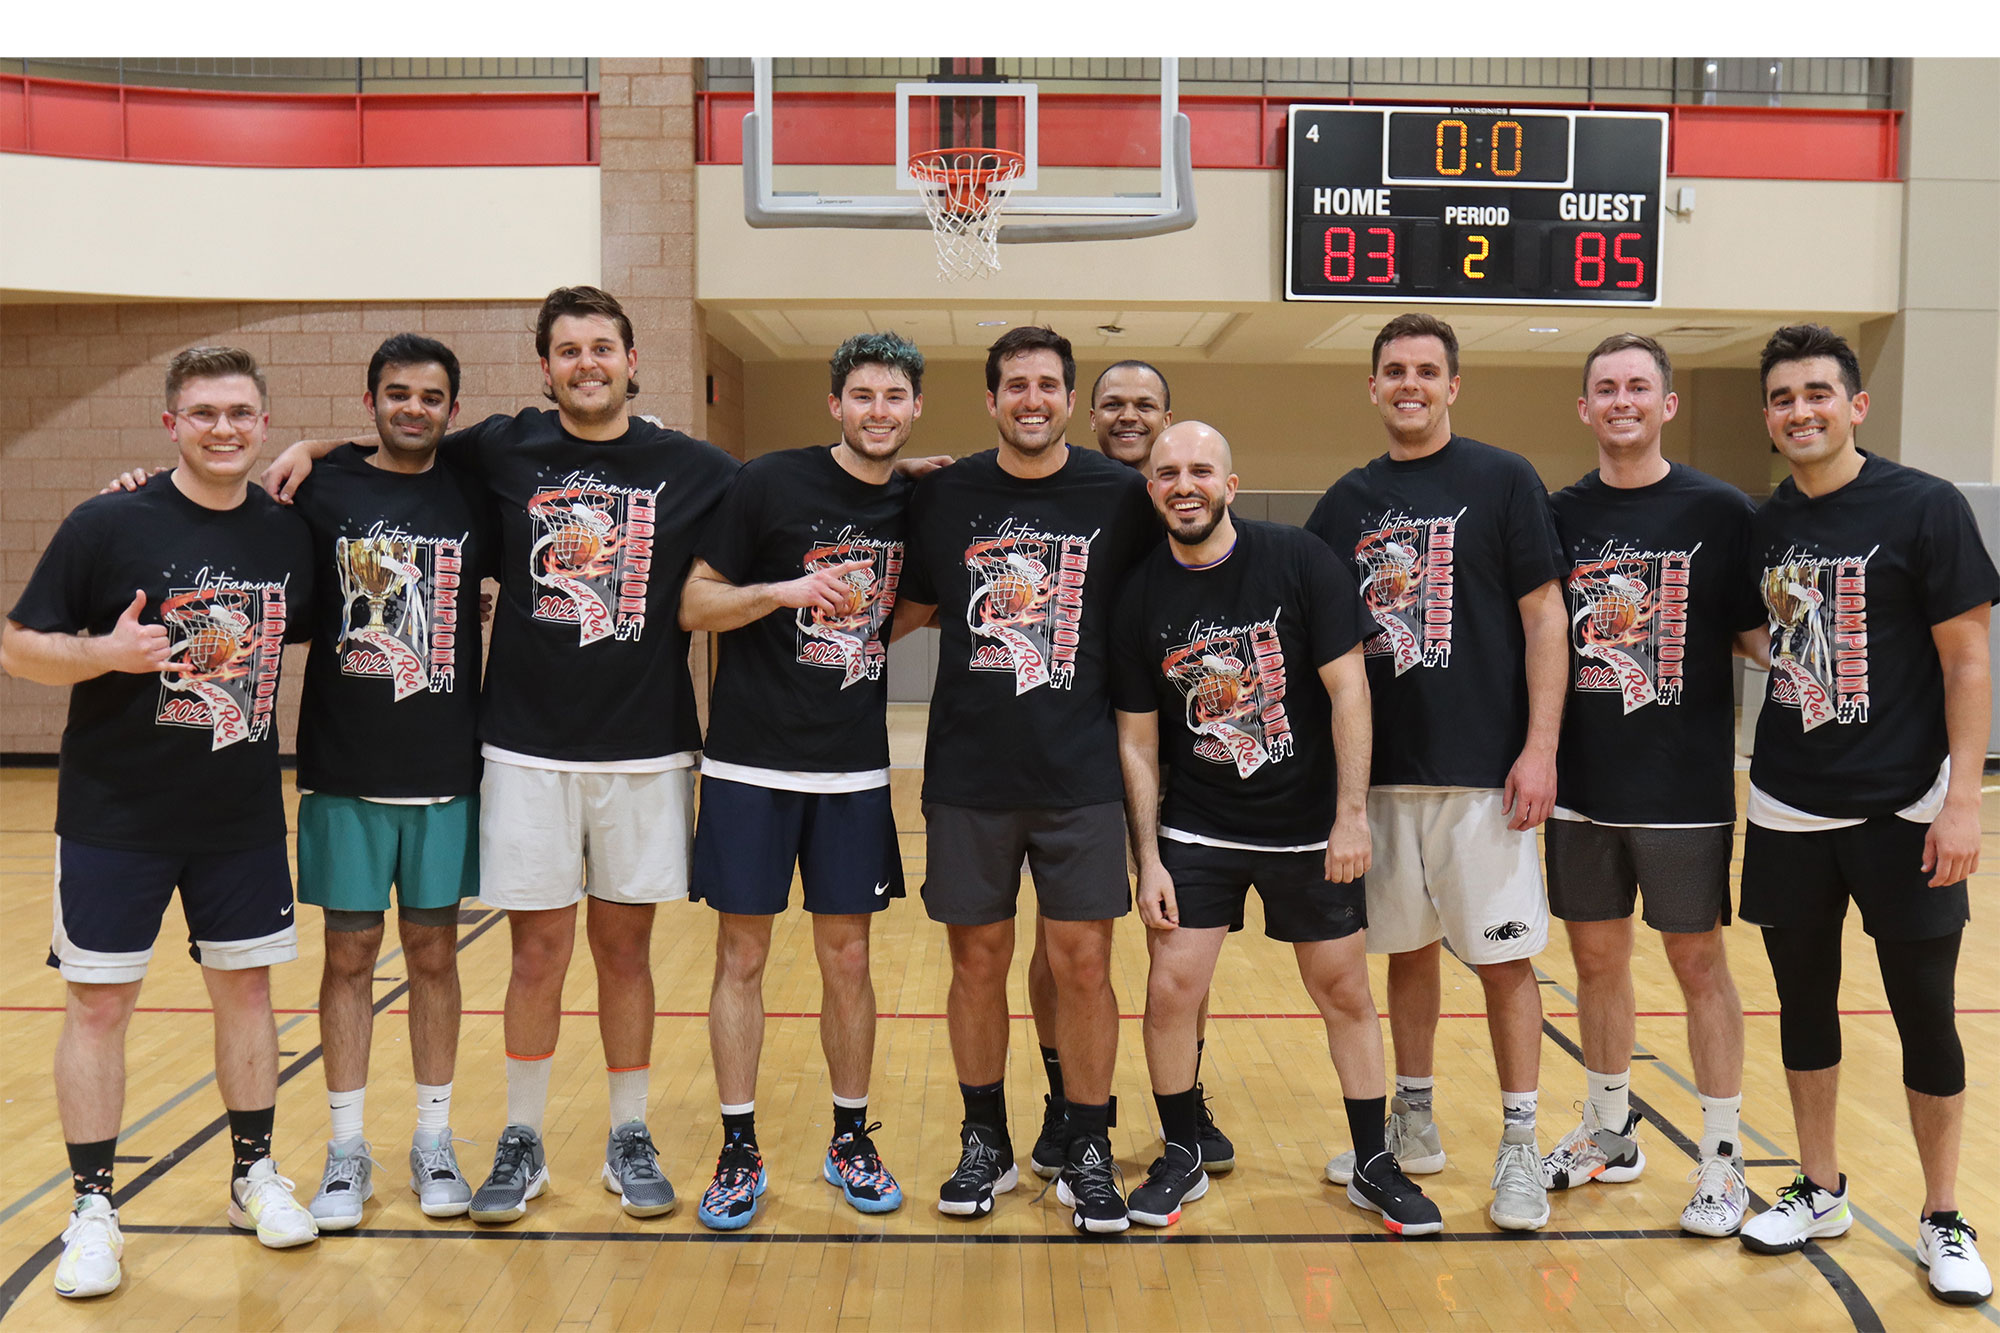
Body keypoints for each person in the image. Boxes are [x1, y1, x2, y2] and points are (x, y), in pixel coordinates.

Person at [262, 287, 740, 1225]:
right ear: (545, 367)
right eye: (568, 350)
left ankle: (627, 1134)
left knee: (626, 951)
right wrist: (311, 449)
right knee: (537, 953)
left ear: (632, 359)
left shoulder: (696, 465)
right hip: (521, 748)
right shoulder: (502, 447)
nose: (587, 363)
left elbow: (801, 493)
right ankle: (521, 1141)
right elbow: (395, 447)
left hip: (646, 748)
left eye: (603, 346)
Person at [3, 346, 319, 1298]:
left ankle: (252, 1176)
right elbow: (20, 647)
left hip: (240, 814)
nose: (224, 428)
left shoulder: (288, 534)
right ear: (171, 423)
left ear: (263, 424)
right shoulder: (108, 520)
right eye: (203, 412)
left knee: (249, 996)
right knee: (100, 1005)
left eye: (239, 412)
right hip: (114, 814)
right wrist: (105, 650)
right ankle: (94, 1206)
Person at [1111, 421, 1441, 1235]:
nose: (1183, 484)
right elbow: (1137, 740)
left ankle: (1372, 1159)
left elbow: (1349, 693)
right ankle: (1182, 1152)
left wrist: (1351, 816)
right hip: (1198, 830)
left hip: (1305, 828)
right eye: (1167, 473)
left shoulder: (1298, 561)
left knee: (1344, 992)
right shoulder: (1140, 592)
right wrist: (1147, 857)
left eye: (1200, 470)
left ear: (1229, 481)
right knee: (1170, 989)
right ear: (1151, 489)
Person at [1735, 324, 1994, 1305]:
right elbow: (1748, 625)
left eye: (1815, 393)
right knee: (1802, 1008)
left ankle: (1939, 1216)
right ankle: (1820, 1185)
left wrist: (1961, 798)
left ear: (1854, 404)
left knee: (1923, 1013)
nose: (1798, 410)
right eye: (1780, 397)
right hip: (1788, 807)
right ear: (1766, 417)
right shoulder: (1762, 526)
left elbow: (1967, 659)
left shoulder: (1922, 506)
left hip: (1908, 807)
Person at [1304, 313, 1567, 1232]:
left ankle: (1521, 1146)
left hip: (1483, 780)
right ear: (1371, 387)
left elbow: (1545, 618)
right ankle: (1412, 1124)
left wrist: (1540, 747)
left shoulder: (1503, 479)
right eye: (1393, 370)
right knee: (1404, 955)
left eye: (1426, 370)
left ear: (1452, 385)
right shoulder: (1343, 502)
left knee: (1504, 961)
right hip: (1382, 778)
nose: (1408, 383)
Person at [895, 325, 1159, 1232]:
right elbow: (911, 606)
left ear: (1069, 398)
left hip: (1081, 769)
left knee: (1083, 963)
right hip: (969, 770)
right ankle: (985, 1141)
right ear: (992, 398)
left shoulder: (1122, 496)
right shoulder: (947, 494)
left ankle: (1088, 1145)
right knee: (977, 963)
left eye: (1048, 384)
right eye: (1016, 385)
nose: (1032, 399)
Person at [677, 331, 924, 1229]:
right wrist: (781, 596)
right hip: (748, 762)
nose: (877, 412)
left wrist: (856, 633)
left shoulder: (912, 498)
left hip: (853, 771)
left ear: (914, 409)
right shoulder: (768, 483)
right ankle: (738, 1150)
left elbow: (916, 603)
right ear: (835, 404)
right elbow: (694, 602)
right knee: (741, 956)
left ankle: (849, 1138)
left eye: (894, 397)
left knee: (848, 959)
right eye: (862, 395)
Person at [1539, 334, 1763, 1236]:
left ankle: (1723, 1160)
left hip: (1685, 789)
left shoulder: (1721, 509)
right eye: (1606, 388)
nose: (1622, 399)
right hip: (1581, 785)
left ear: (1667, 404)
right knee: (1596, 962)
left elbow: (1758, 635)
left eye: (1639, 386)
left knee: (1697, 963)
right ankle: (1609, 1131)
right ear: (1584, 408)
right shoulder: (1555, 513)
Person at [1025, 357, 1235, 1179]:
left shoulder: (1184, 498)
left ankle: (1186, 1097)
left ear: (1169, 415)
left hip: (1171, 745)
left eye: (1145, 404)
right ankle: (1064, 1099)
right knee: (1066, 942)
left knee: (1179, 933)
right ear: (1087, 412)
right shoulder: (1068, 489)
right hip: (1069, 740)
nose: (1127, 415)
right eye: (1112, 403)